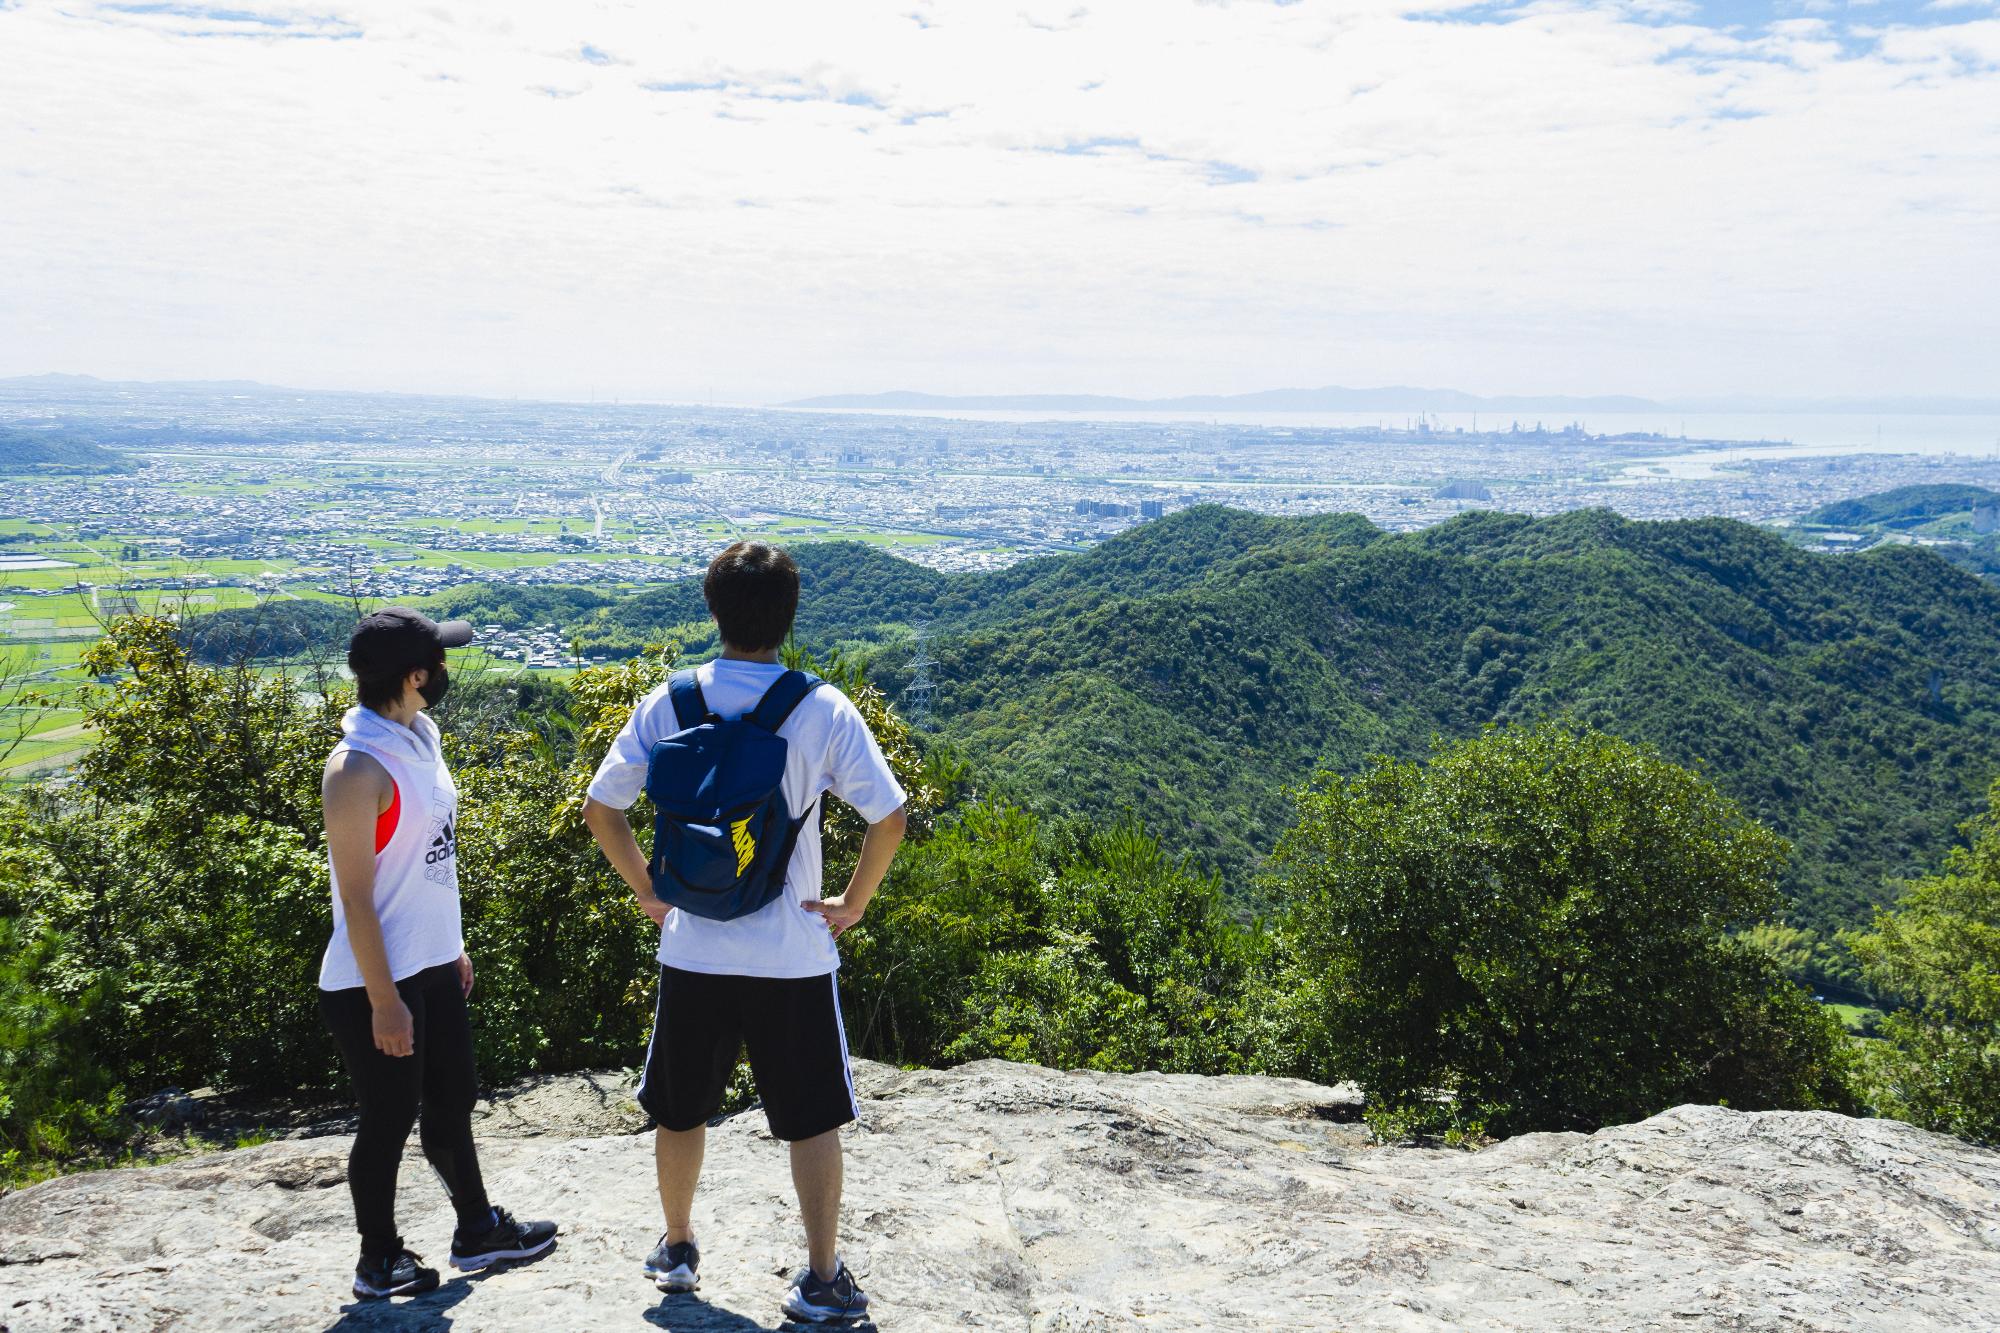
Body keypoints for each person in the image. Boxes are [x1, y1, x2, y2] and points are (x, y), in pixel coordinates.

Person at [584, 542, 907, 1325]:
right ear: (789, 617)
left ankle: (679, 1247)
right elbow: (889, 818)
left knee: (681, 1108)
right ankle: (822, 1278)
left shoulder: (671, 701)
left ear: (713, 608)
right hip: (791, 951)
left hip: (693, 947)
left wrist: (653, 894)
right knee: (811, 1117)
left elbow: (602, 808)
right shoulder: (822, 707)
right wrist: (852, 902)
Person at [319, 608, 557, 1300]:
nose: (449, 671)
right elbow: (358, 900)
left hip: (429, 963)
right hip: (373, 979)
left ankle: (478, 1230)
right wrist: (384, 998)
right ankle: (377, 1259)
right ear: (415, 675)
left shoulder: (420, 736)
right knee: (389, 1118)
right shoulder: (356, 768)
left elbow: (430, 860)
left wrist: (449, 947)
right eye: (441, 662)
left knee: (453, 1099)